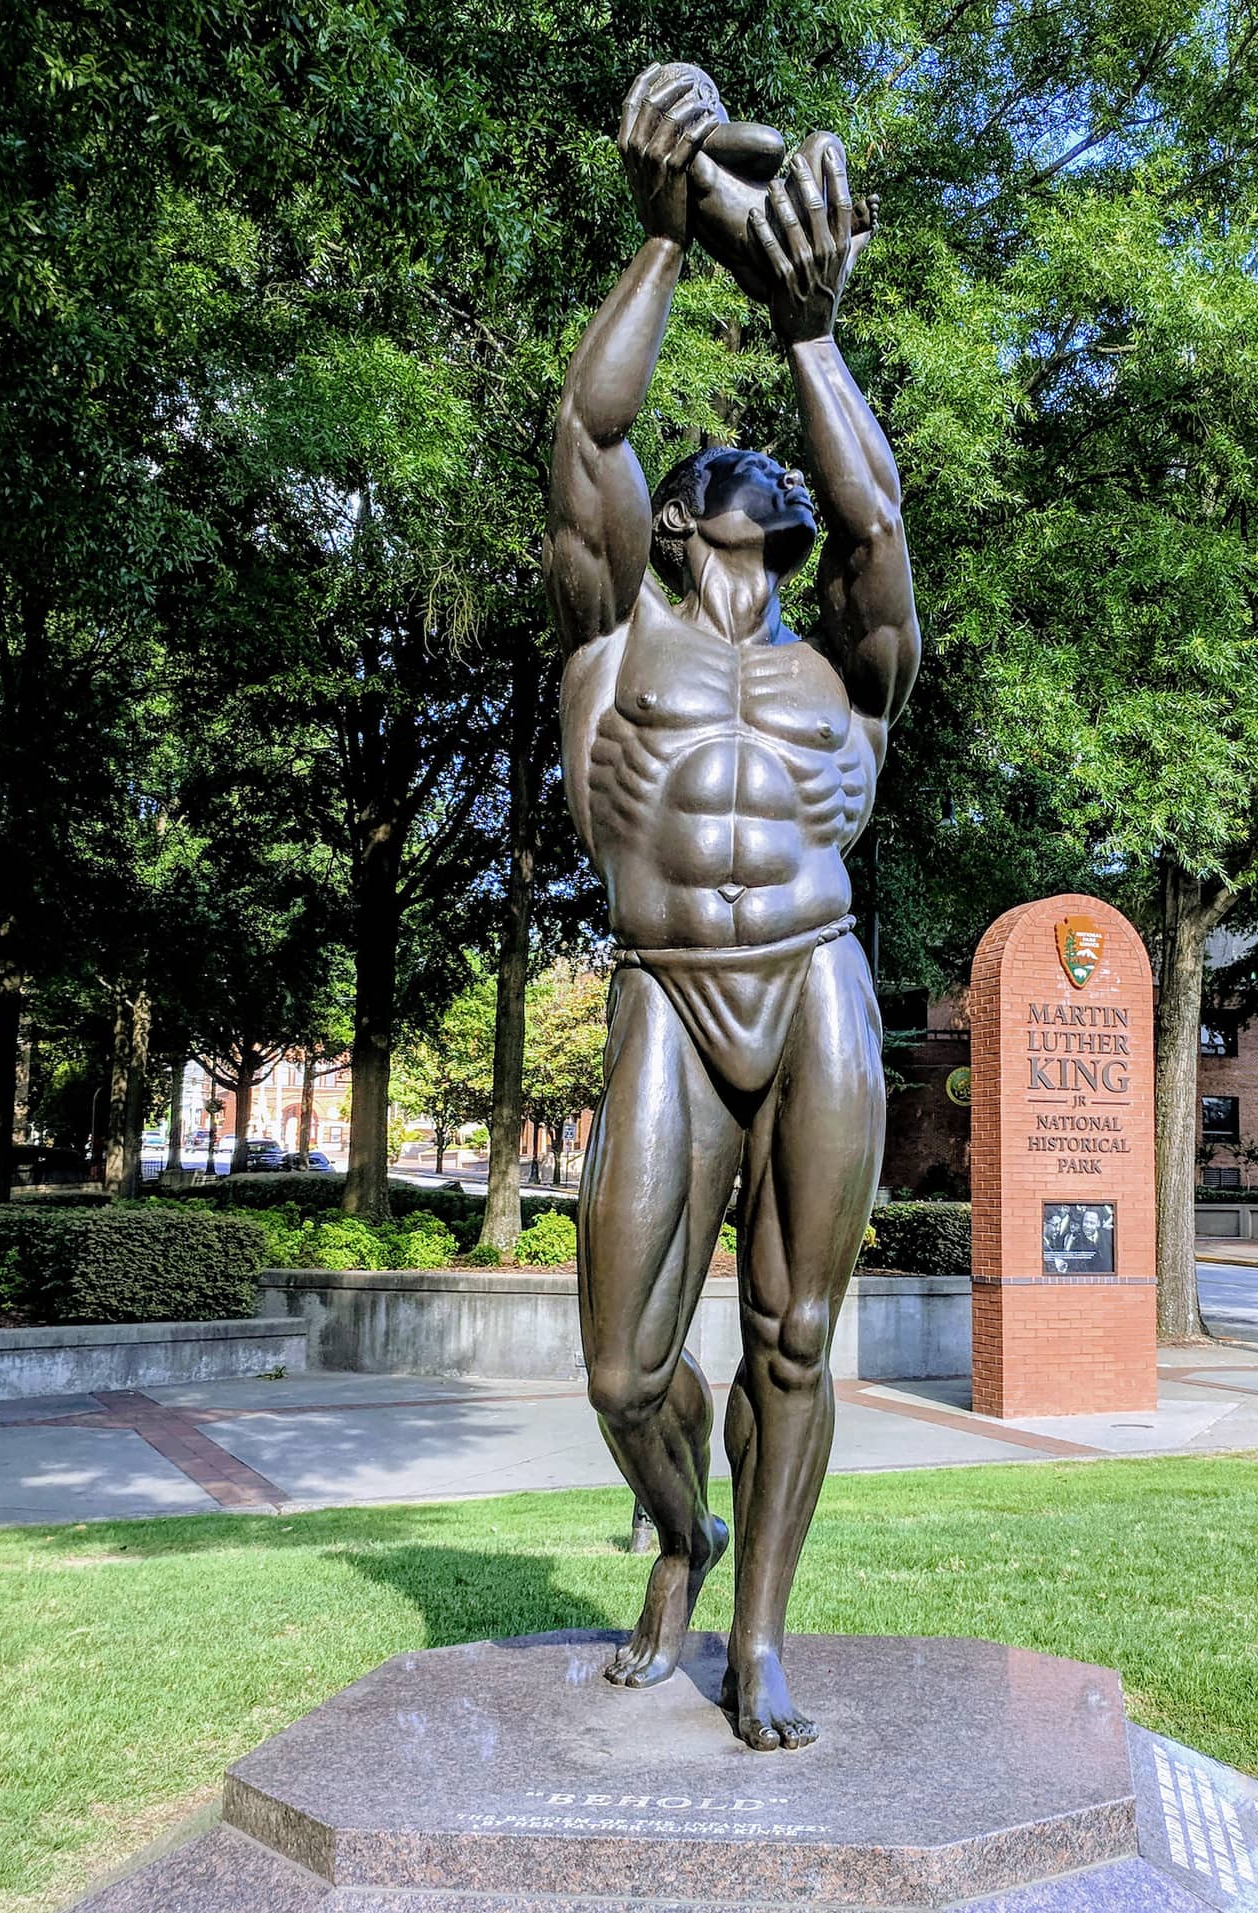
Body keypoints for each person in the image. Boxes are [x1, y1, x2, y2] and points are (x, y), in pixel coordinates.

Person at [544, 66, 919, 1752]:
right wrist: (668, 239)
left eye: (781, 514)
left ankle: (756, 1633)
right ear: (687, 524)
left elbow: (879, 521)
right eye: (734, 509)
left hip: (815, 980)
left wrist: (808, 326)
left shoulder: (847, 679)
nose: (762, 532)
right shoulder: (617, 642)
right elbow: (586, 434)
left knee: (797, 1330)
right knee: (625, 1369)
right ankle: (683, 1536)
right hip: (667, 991)